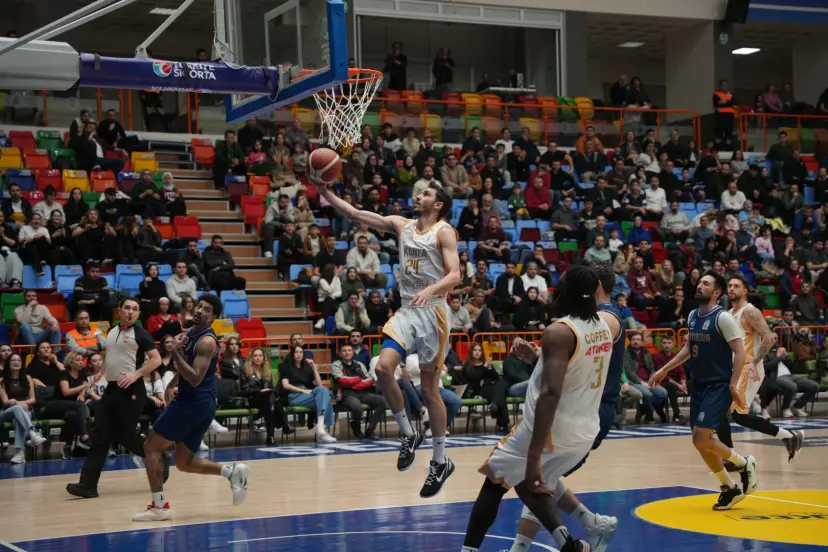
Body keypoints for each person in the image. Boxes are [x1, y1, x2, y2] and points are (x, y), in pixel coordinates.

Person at [313, 177, 460, 498]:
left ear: (437, 205)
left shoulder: (444, 232)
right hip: (408, 310)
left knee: (429, 391)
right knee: (382, 368)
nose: (418, 196)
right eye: (419, 192)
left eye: (426, 194)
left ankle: (439, 460)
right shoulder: (401, 224)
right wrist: (325, 193)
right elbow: (355, 214)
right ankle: (408, 434)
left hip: (434, 313)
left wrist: (432, 289)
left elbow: (455, 274)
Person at [461, 265, 615, 552]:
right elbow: (574, 371)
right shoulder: (603, 329)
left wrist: (534, 454)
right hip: (584, 432)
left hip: (551, 430)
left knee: (495, 479)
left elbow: (551, 392)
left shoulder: (559, 331)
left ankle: (468, 551)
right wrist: (537, 358)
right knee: (525, 480)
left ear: (566, 292)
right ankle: (570, 543)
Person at [502, 261, 624, 552]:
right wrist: (540, 356)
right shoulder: (592, 321)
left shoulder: (606, 319)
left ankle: (524, 548)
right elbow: (577, 361)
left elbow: (580, 348)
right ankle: (592, 522)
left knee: (535, 474)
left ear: (594, 286)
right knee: (540, 473)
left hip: (589, 409)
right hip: (579, 406)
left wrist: (556, 335)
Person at [133, 294, 249, 521]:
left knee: (151, 447)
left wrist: (175, 351)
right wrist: (172, 384)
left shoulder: (207, 341)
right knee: (183, 462)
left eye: (206, 309)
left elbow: (195, 377)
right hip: (200, 403)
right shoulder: (192, 334)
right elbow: (189, 367)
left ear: (213, 317)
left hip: (192, 402)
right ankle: (232, 472)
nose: (199, 311)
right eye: (199, 306)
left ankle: (159, 506)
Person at [650, 271, 758, 510]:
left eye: (706, 283)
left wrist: (733, 385)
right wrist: (665, 369)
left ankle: (744, 463)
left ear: (717, 293)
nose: (699, 285)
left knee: (701, 437)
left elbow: (740, 352)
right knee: (700, 442)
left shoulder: (723, 318)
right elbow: (689, 349)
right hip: (698, 385)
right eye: (699, 282)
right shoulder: (692, 315)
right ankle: (729, 488)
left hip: (718, 386)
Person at [66, 298, 163, 499]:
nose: (130, 311)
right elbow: (111, 357)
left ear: (138, 314)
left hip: (131, 390)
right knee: (99, 437)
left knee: (126, 437)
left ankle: (158, 455)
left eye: (135, 309)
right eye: (127, 308)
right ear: (120, 310)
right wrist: (100, 373)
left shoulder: (141, 334)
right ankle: (88, 486)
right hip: (111, 390)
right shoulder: (111, 331)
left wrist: (136, 374)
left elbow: (157, 359)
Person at [715, 275, 805, 467]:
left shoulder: (750, 311)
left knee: (729, 413)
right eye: (729, 285)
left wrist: (754, 362)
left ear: (745, 291)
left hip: (749, 368)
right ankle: (788, 437)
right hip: (735, 369)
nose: (731, 288)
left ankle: (732, 458)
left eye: (736, 286)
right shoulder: (729, 313)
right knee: (728, 414)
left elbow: (770, 338)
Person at [0, 353, 48, 464]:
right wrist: (18, 403)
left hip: (24, 411)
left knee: (18, 420)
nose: (16, 362)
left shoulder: (27, 378)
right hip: (7, 412)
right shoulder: (2, 380)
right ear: (8, 363)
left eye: (18, 360)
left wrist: (23, 402)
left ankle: (19, 454)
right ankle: (32, 433)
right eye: (13, 360)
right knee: (17, 409)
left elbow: (33, 399)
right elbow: (5, 401)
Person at [240, 347, 293, 445]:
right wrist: (260, 391)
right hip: (252, 399)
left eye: (260, 355)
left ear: (263, 358)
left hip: (267, 400)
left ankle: (271, 436)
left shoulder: (267, 372)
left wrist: (267, 392)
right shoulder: (246, 372)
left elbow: (271, 388)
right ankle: (283, 425)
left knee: (270, 402)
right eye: (255, 356)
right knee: (272, 401)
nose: (258, 358)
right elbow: (245, 390)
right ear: (251, 358)